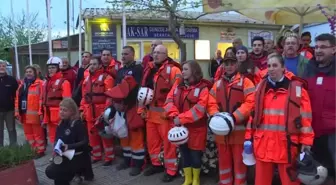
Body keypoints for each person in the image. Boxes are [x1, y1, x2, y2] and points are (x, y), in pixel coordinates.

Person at [245, 54, 314, 185]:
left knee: (290, 182)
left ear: (283, 68)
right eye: (269, 66)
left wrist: (307, 142)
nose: (271, 69)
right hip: (263, 144)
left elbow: (306, 119)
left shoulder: (297, 90)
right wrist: (248, 138)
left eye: (275, 65)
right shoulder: (260, 88)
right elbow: (253, 116)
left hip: (286, 146)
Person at [208, 57, 255, 185]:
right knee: (224, 162)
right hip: (221, 133)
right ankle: (225, 182)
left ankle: (240, 183)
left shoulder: (246, 82)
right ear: (223, 66)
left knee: (239, 163)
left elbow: (251, 103)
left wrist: (234, 117)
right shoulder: (217, 84)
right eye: (226, 64)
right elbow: (211, 102)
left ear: (237, 65)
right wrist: (216, 117)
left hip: (239, 132)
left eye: (232, 64)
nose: (229, 66)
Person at [139, 44, 182, 181]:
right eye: (154, 52)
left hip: (165, 114)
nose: (156, 55)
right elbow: (143, 90)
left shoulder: (174, 70)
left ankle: (171, 170)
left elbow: (176, 92)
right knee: (152, 142)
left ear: (166, 55)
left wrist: (170, 111)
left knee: (169, 144)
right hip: (151, 113)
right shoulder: (149, 69)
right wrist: (141, 108)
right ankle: (156, 164)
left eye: (159, 52)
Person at [164, 60, 211, 185]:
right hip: (180, 128)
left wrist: (181, 118)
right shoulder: (178, 85)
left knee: (195, 156)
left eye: (185, 69)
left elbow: (200, 109)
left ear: (194, 71)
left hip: (197, 129)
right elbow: (168, 101)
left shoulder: (203, 88)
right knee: (184, 154)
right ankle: (188, 179)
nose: (182, 71)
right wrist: (174, 115)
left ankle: (196, 179)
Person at [105, 46, 145, 176]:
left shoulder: (139, 69)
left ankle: (138, 164)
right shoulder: (121, 71)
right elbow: (117, 88)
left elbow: (140, 88)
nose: (123, 56)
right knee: (124, 135)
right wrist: (115, 104)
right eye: (122, 54)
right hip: (121, 108)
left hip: (133, 106)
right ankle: (127, 160)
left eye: (126, 54)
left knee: (136, 136)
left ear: (133, 55)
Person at [303, 33, 336, 184]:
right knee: (312, 173)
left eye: (323, 47)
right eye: (316, 47)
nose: (318, 50)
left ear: (334, 49)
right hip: (311, 133)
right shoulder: (308, 70)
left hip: (332, 134)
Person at [45, 98, 94, 185]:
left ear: (71, 111)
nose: (61, 112)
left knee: (57, 174)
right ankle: (72, 177)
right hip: (65, 156)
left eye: (65, 110)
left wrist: (69, 146)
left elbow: (85, 142)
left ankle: (74, 176)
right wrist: (56, 149)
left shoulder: (77, 124)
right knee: (50, 171)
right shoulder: (61, 124)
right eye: (60, 109)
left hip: (77, 157)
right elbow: (57, 139)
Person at [80, 57, 114, 166]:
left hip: (101, 111)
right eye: (90, 64)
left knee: (105, 135)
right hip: (89, 110)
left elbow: (109, 96)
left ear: (100, 65)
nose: (92, 66)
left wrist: (106, 111)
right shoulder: (87, 79)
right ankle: (96, 155)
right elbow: (84, 97)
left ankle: (109, 157)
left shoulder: (107, 78)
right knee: (92, 136)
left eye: (94, 64)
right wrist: (82, 110)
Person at [15, 66, 45, 157]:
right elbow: (17, 99)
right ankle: (33, 150)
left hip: (35, 115)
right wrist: (16, 112)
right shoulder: (22, 85)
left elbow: (42, 100)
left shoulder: (40, 84)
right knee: (28, 134)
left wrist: (41, 113)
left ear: (35, 73)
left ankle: (40, 151)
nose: (28, 73)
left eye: (30, 71)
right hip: (24, 114)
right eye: (27, 71)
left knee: (38, 134)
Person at [42, 57, 72, 146]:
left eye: (53, 67)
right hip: (48, 115)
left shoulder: (64, 82)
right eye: (49, 67)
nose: (50, 70)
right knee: (52, 137)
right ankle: (56, 155)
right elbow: (42, 99)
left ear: (59, 68)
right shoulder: (46, 82)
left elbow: (67, 102)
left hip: (59, 115)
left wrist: (65, 116)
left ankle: (62, 157)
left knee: (61, 137)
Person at [0, 60, 19, 147]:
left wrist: (16, 109)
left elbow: (17, 95)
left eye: (3, 66)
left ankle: (13, 147)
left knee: (11, 129)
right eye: (0, 66)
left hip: (9, 110)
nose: (1, 68)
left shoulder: (12, 80)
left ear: (5, 67)